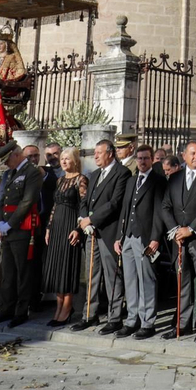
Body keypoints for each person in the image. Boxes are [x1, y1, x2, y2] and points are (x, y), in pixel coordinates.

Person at [160, 140, 196, 341]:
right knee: (182, 284)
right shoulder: (174, 178)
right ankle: (182, 324)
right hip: (179, 242)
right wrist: (175, 230)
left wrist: (191, 229)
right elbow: (165, 206)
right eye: (192, 153)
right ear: (184, 156)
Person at [76, 139, 131, 333]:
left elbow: (115, 203)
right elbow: (86, 200)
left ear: (110, 153)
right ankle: (89, 315)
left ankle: (114, 316)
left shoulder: (122, 173)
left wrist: (92, 220)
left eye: (99, 153)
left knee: (112, 276)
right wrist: (84, 218)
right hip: (91, 232)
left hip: (109, 231)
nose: (96, 156)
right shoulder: (95, 174)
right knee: (91, 274)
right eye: (95, 153)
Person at [118, 134, 165, 338]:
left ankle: (147, 322)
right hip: (128, 236)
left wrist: (155, 238)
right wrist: (119, 236)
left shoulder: (158, 181)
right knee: (130, 279)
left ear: (152, 159)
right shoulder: (131, 181)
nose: (142, 162)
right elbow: (125, 210)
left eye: (146, 158)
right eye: (139, 158)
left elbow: (159, 212)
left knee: (146, 280)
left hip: (145, 236)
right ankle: (131, 319)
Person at [0, 141, 44, 327]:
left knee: (23, 273)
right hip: (6, 228)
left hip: (22, 228)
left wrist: (10, 224)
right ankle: (5, 309)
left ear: (16, 155)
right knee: (8, 273)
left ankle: (21, 311)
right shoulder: (9, 174)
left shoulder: (32, 172)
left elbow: (27, 201)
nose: (6, 164)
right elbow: (1, 199)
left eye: (8, 160)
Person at [43, 148, 88, 326]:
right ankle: (59, 305)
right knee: (56, 266)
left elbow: (83, 206)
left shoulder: (81, 180)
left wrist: (78, 228)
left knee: (67, 267)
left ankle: (67, 307)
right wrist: (49, 227)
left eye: (67, 159)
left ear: (75, 160)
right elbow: (55, 205)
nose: (63, 161)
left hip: (70, 226)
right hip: (57, 228)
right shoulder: (60, 180)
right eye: (62, 158)